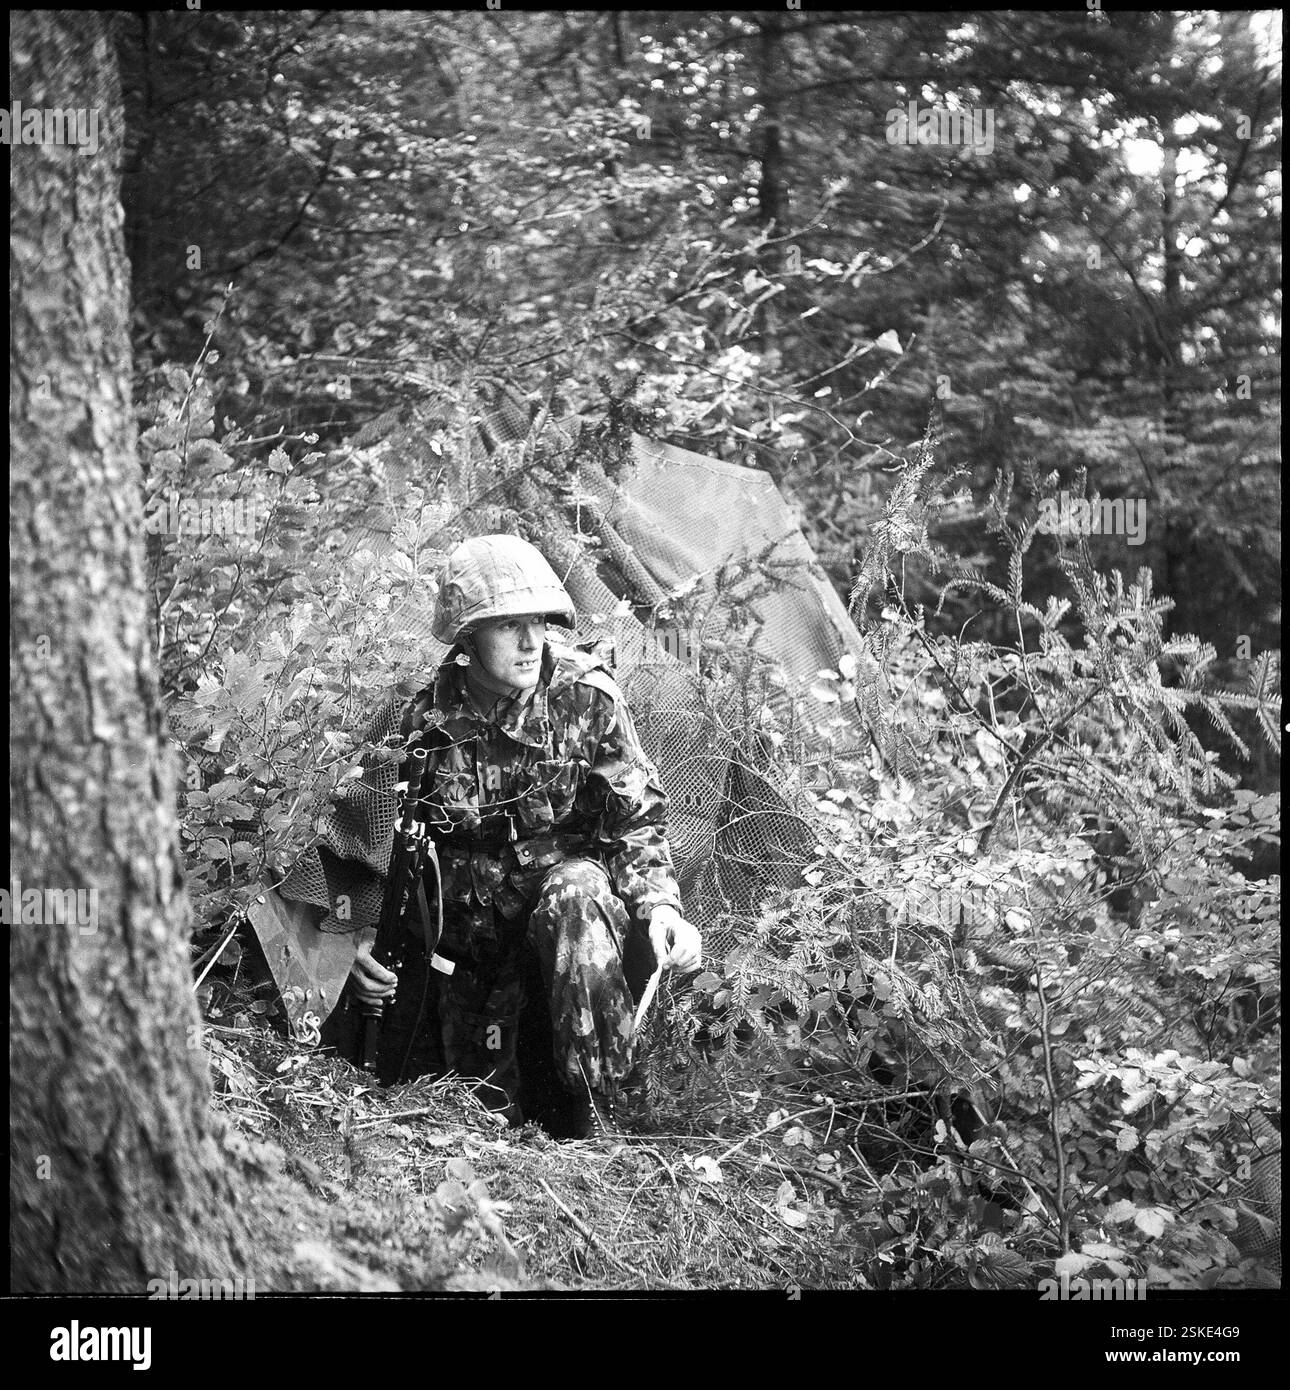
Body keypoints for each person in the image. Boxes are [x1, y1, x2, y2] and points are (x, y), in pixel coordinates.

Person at [348, 533, 701, 1136]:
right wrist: (355, 940)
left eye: (537, 620)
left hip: (561, 935)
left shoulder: (585, 698)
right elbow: (367, 840)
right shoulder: (423, 716)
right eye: (507, 625)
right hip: (456, 938)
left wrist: (663, 906)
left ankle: (601, 1124)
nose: (530, 639)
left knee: (578, 893)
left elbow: (635, 820)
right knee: (433, 1096)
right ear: (467, 636)